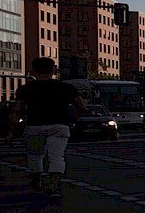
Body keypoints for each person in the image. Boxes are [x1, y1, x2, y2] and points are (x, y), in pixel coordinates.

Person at [13, 57, 88, 199]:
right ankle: (54, 186)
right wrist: (71, 119)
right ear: (53, 70)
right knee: (57, 156)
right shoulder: (66, 87)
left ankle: (37, 182)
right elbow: (82, 107)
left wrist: (12, 130)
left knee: (35, 155)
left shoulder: (26, 88)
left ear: (34, 71)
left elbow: (17, 110)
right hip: (59, 125)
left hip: (34, 125)